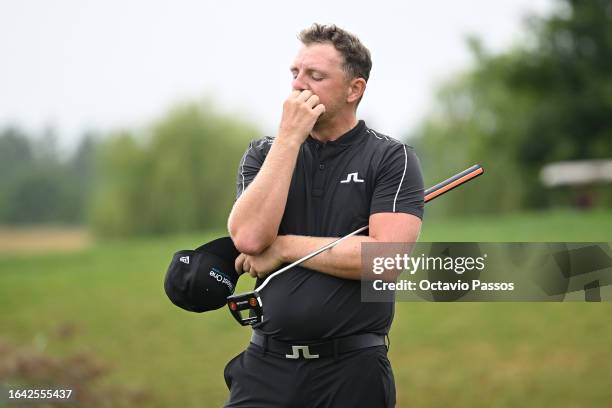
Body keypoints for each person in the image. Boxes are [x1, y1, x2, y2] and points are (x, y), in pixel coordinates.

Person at [224, 23, 424, 408]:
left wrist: (283, 247)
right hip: (266, 366)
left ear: (355, 90)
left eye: (316, 76)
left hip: (353, 370)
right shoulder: (265, 153)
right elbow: (248, 238)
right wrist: (288, 139)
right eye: (295, 74)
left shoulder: (390, 157)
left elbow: (386, 259)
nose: (299, 86)